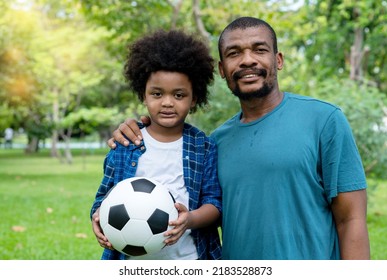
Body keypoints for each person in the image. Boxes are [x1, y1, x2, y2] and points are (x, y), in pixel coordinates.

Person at [108, 17, 370, 260]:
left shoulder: (324, 120)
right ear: (222, 70)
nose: (247, 60)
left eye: (259, 49)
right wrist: (139, 128)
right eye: (234, 53)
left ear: (278, 60)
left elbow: (351, 220)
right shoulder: (213, 145)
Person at [91, 29, 222, 260]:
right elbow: (103, 198)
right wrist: (99, 218)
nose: (168, 103)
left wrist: (190, 219)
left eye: (179, 95)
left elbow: (214, 203)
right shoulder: (125, 145)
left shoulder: (204, 147)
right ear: (143, 95)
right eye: (157, 94)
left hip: (189, 259)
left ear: (194, 99)